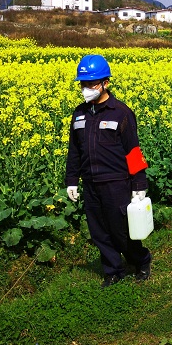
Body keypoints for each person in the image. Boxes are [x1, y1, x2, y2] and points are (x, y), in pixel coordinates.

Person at [65, 54, 152, 288]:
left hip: (116, 183)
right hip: (91, 183)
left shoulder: (120, 113)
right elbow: (74, 150)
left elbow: (133, 151)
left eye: (91, 84)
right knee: (99, 232)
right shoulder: (79, 114)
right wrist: (72, 179)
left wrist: (139, 184)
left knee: (121, 231)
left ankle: (141, 260)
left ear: (106, 83)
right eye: (83, 84)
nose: (86, 89)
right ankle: (113, 270)